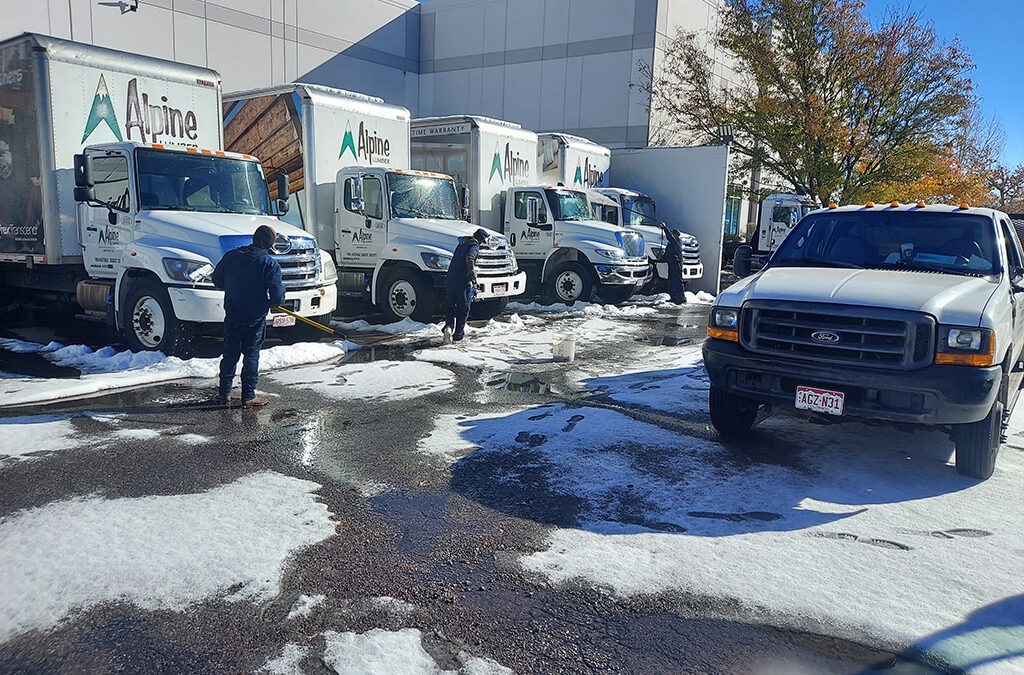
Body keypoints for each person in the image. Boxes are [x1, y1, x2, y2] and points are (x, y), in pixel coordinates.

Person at [212, 224, 285, 406]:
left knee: (230, 353)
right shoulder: (269, 263)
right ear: (268, 244)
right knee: (251, 354)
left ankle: (224, 393)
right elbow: (277, 295)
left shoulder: (231, 256)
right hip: (254, 317)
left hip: (233, 312)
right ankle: (249, 396)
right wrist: (275, 302)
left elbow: (216, 278)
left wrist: (230, 287)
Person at [443, 228, 488, 344]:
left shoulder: (462, 244)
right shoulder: (474, 246)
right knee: (463, 308)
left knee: (450, 306)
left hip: (450, 279)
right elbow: (470, 258)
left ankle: (449, 327)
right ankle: (458, 335)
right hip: (462, 281)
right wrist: (473, 277)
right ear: (481, 239)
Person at [660, 221, 687, 304]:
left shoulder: (676, 241)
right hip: (671, 264)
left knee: (678, 281)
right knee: (671, 281)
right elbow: (668, 255)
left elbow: (669, 236)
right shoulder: (671, 244)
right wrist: (660, 258)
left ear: (675, 235)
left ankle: (681, 297)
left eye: (672, 233)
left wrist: (664, 227)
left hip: (676, 263)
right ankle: (674, 297)